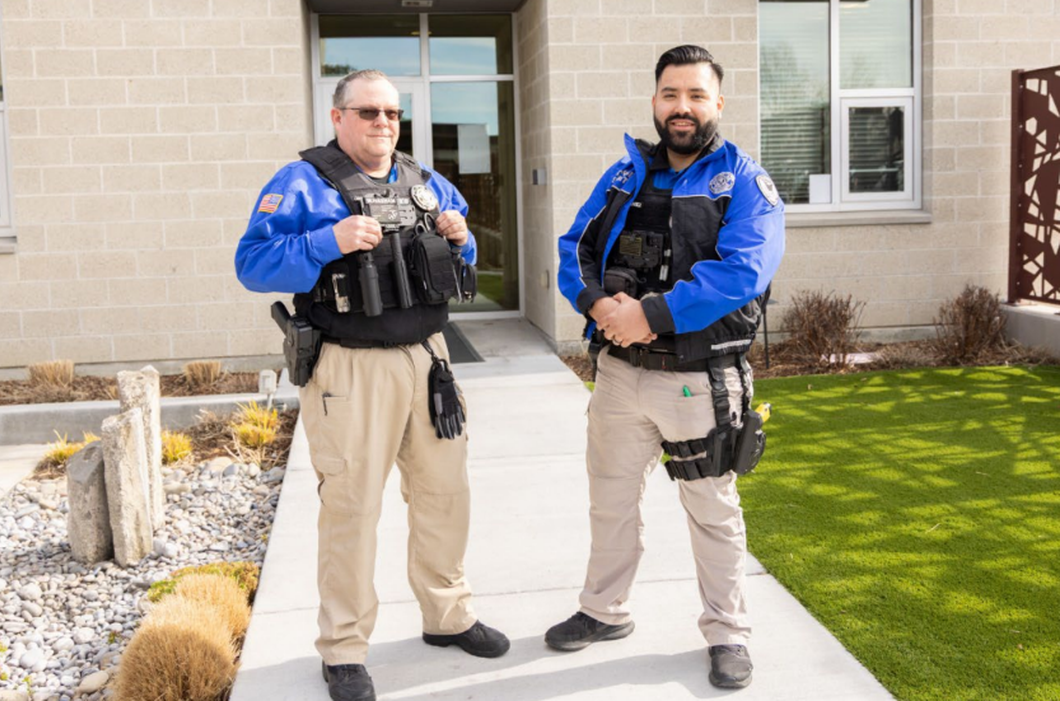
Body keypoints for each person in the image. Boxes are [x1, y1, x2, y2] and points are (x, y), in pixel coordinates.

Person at [234, 69, 509, 701]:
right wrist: (323, 240)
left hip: (430, 359)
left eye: (390, 112)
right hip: (351, 367)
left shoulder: (425, 181)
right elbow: (251, 264)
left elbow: (459, 257)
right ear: (338, 118)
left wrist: (461, 239)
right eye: (367, 112)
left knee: (445, 493)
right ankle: (344, 649)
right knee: (353, 508)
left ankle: (448, 615)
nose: (382, 123)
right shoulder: (300, 182)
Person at [549, 45, 785, 689]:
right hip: (621, 375)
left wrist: (649, 314)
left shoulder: (743, 182)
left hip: (698, 377)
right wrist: (596, 302)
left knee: (711, 506)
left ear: (718, 103)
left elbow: (742, 271)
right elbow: (577, 246)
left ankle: (728, 633)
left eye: (696, 96)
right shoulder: (625, 174)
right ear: (655, 101)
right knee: (611, 500)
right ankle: (604, 611)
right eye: (670, 95)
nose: (682, 108)